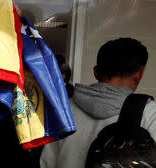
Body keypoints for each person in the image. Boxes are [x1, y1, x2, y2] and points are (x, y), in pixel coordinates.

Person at [40, 37, 156, 168]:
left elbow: (46, 163)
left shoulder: (64, 109)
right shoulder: (150, 113)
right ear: (139, 75)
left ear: (96, 72)